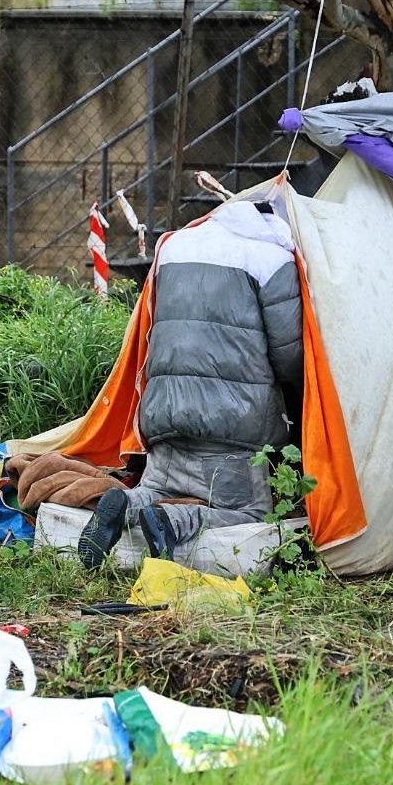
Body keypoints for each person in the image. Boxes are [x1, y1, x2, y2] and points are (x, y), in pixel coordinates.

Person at [78, 200, 303, 566]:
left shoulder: (174, 247)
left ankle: (126, 504)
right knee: (250, 511)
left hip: (163, 414)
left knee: (157, 488)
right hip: (232, 427)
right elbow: (290, 355)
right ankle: (173, 520)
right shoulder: (271, 257)